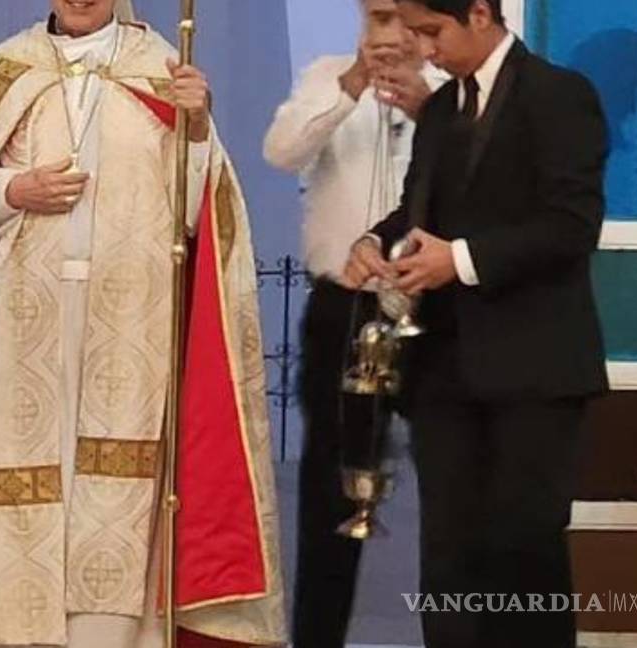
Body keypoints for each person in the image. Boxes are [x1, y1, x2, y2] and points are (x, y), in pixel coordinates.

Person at [0, 0, 285, 646]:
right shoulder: (2, 72)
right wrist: (10, 194)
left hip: (130, 323)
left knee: (118, 495)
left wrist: (195, 132)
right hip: (24, 324)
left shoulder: (165, 71)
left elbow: (199, 222)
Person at [343, 1, 608, 645]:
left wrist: (458, 260)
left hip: (535, 372)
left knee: (524, 558)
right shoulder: (439, 111)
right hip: (444, 375)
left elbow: (572, 225)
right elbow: (417, 209)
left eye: (434, 33)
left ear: (482, 14)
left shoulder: (560, 95)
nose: (425, 51)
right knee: (448, 558)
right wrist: (373, 242)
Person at [262, 1, 441, 646]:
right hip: (344, 305)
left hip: (435, 310)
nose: (384, 36)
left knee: (451, 482)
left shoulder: (450, 91)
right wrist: (351, 88)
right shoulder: (328, 74)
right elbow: (282, 150)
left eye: (396, 18)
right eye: (373, 17)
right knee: (330, 491)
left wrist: (428, 108)